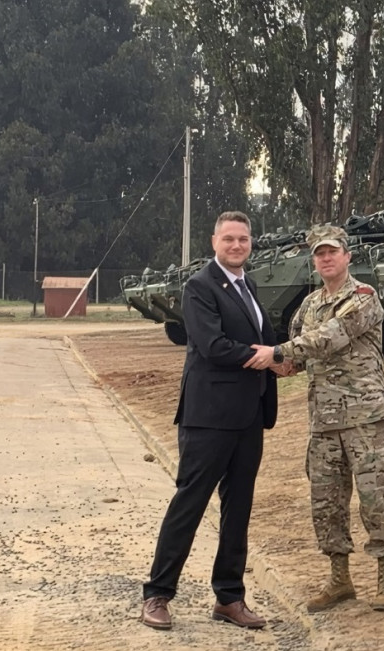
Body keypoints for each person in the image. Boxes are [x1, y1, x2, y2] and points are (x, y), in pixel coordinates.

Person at [243, 224, 384, 613]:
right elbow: (297, 357)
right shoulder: (309, 305)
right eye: (319, 253)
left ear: (347, 256)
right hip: (324, 421)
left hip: (366, 418)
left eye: (332, 251)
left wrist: (276, 352)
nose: (326, 258)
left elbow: (329, 337)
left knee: (376, 499)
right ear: (313, 261)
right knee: (326, 504)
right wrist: (271, 364)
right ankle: (340, 580)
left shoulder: (363, 298)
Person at [141, 211, 279, 631]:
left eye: (243, 239)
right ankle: (157, 595)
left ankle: (229, 598)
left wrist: (281, 357)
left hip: (248, 416)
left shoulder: (248, 284)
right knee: (190, 504)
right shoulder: (199, 287)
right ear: (214, 242)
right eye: (229, 239)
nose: (237, 246)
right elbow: (212, 344)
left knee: (238, 509)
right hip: (209, 418)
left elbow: (265, 338)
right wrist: (263, 358)